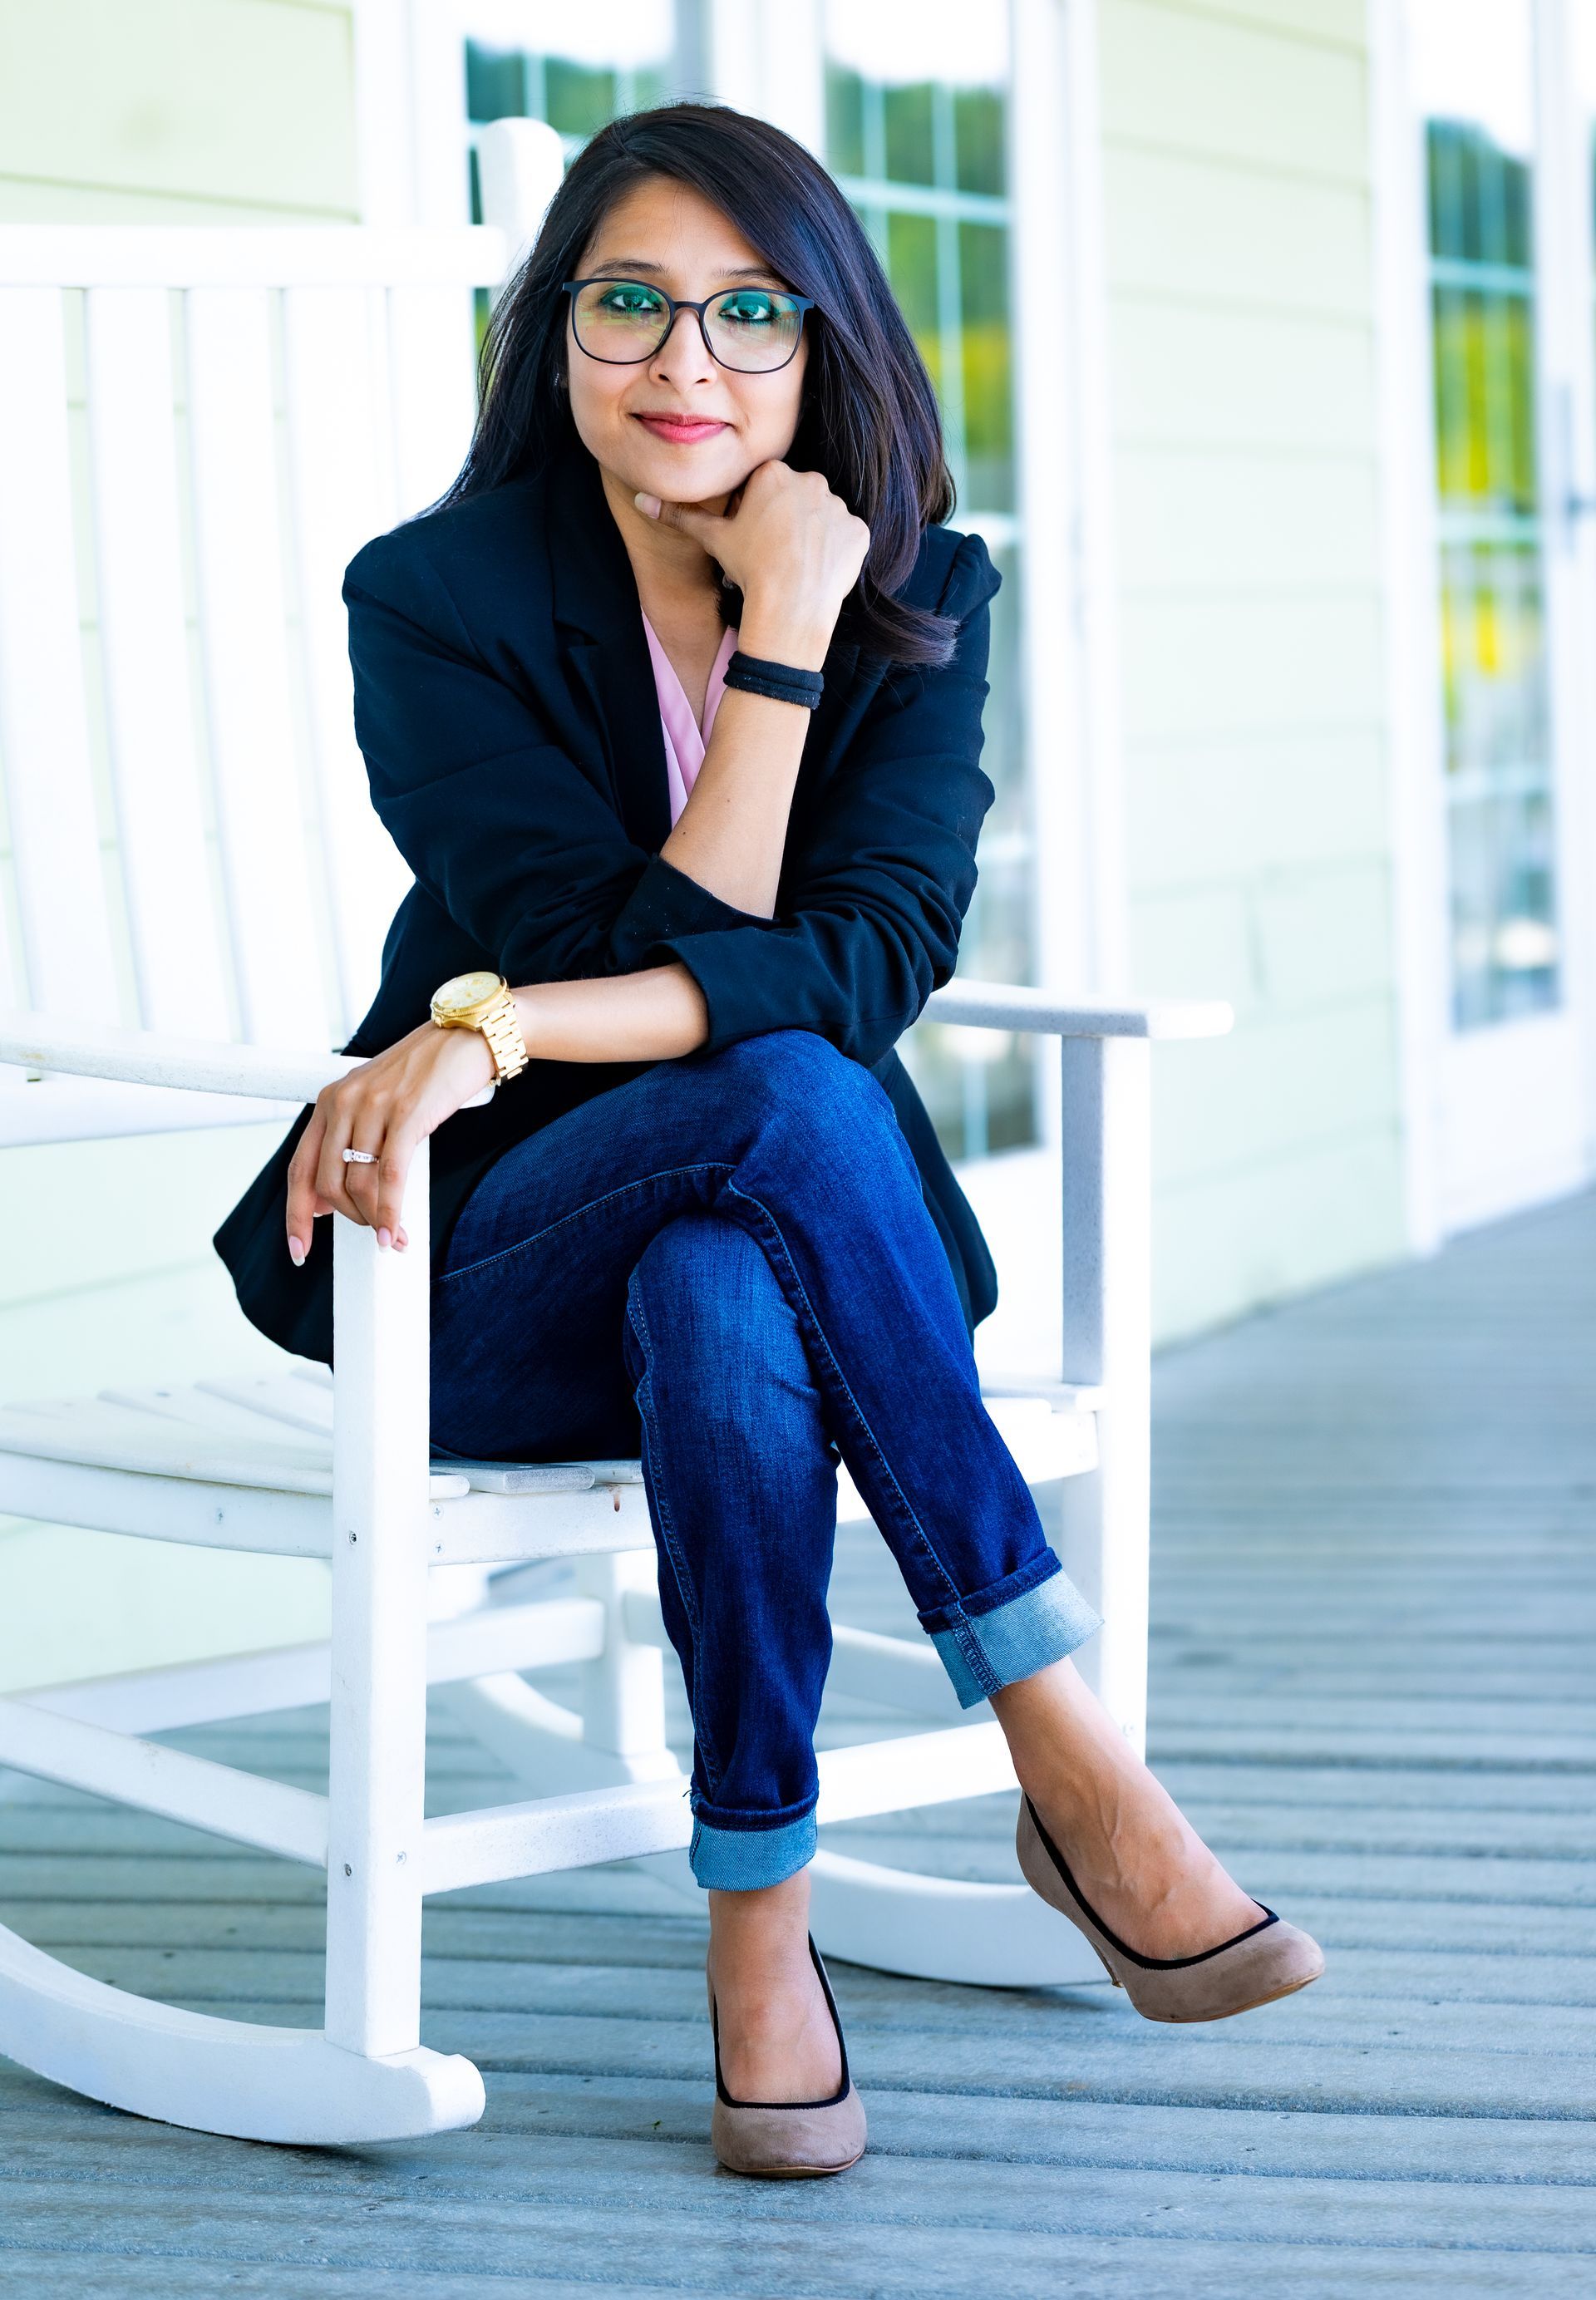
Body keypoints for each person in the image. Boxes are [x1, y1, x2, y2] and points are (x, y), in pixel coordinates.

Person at [216, 101, 1322, 2180]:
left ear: (827, 354)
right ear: (555, 334)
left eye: (749, 313)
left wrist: (494, 1025)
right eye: (627, 302)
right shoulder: (435, 598)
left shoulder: (923, 590)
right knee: (778, 1099)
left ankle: (762, 1938)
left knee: (735, 1256)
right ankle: (1070, 1753)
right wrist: (771, 664)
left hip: (762, 1251)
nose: (685, 363)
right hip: (471, 1271)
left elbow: (875, 957)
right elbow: (625, 950)